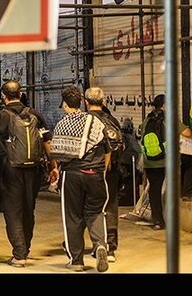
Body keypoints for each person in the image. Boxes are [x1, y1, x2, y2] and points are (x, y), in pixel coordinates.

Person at [0, 81, 51, 268]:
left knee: (12, 210)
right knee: (28, 209)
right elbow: (47, 142)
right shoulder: (35, 115)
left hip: (10, 170)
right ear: (21, 94)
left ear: (3, 97)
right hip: (33, 170)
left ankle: (19, 253)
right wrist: (54, 166)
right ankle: (25, 248)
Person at [49, 86, 110, 272]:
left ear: (65, 105)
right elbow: (107, 149)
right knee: (96, 212)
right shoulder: (95, 122)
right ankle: (100, 245)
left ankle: (76, 261)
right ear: (82, 103)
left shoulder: (62, 124)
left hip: (72, 175)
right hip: (95, 174)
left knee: (73, 216)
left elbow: (56, 152)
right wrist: (101, 171)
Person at [85, 87, 124, 262]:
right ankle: (110, 247)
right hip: (111, 172)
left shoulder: (84, 120)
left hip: (89, 170)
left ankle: (86, 243)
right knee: (110, 208)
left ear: (86, 102)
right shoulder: (112, 120)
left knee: (85, 207)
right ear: (104, 102)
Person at [142, 94, 167, 229]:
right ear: (164, 105)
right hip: (165, 160)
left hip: (149, 161)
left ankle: (157, 220)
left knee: (154, 190)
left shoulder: (147, 120)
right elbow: (186, 133)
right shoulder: (169, 118)